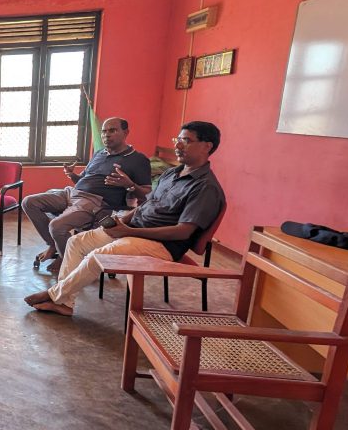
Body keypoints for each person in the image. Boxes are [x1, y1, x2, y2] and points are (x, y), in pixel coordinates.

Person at [24, 121, 225, 316]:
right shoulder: (172, 173)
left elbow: (183, 231)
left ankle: (54, 295)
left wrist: (129, 230)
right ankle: (64, 304)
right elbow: (146, 205)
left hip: (161, 244)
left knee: (99, 255)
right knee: (77, 242)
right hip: (133, 230)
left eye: (187, 141)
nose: (178, 145)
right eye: (178, 139)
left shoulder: (205, 187)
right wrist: (123, 222)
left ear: (207, 146)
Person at [22, 117, 152, 273]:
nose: (106, 135)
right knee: (29, 202)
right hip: (71, 192)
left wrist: (129, 185)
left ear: (126, 133)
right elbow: (83, 179)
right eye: (104, 131)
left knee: (56, 226)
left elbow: (147, 192)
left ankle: (67, 261)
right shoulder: (99, 154)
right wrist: (72, 175)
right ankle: (53, 245)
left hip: (94, 202)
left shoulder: (138, 159)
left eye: (112, 130)